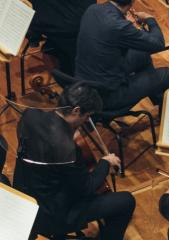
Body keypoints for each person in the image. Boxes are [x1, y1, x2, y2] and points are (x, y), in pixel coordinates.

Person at [13, 82, 135, 240]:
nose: (87, 120)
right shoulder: (67, 149)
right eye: (87, 116)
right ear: (76, 110)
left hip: (23, 198)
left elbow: (43, 142)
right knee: (126, 201)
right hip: (50, 215)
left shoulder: (30, 115)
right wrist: (105, 162)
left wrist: (66, 130)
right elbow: (87, 187)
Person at [74, 0, 169, 110]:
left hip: (86, 81)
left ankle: (160, 102)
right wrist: (150, 19)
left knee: (142, 54)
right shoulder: (120, 26)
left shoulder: (92, 9)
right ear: (132, 0)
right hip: (105, 96)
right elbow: (158, 44)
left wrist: (126, 23)